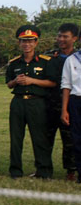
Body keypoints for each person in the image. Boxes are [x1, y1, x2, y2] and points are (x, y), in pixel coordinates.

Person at [5, 25, 56, 179]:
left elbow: (52, 83)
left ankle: (44, 171)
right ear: (19, 43)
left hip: (37, 103)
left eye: (30, 41)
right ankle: (15, 171)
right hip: (18, 102)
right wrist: (16, 81)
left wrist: (32, 80)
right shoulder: (14, 63)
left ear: (36, 42)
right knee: (16, 138)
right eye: (23, 41)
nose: (27, 44)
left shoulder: (46, 61)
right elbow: (8, 84)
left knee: (39, 138)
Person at [46, 23, 78, 181]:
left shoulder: (77, 58)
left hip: (70, 104)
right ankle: (44, 169)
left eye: (65, 36)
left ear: (75, 38)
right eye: (59, 36)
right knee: (46, 138)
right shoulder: (49, 56)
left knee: (70, 139)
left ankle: (71, 170)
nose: (61, 39)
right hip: (49, 104)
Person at [61, 43, 81, 183]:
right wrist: (64, 109)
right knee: (77, 138)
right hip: (76, 101)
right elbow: (66, 85)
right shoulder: (72, 59)